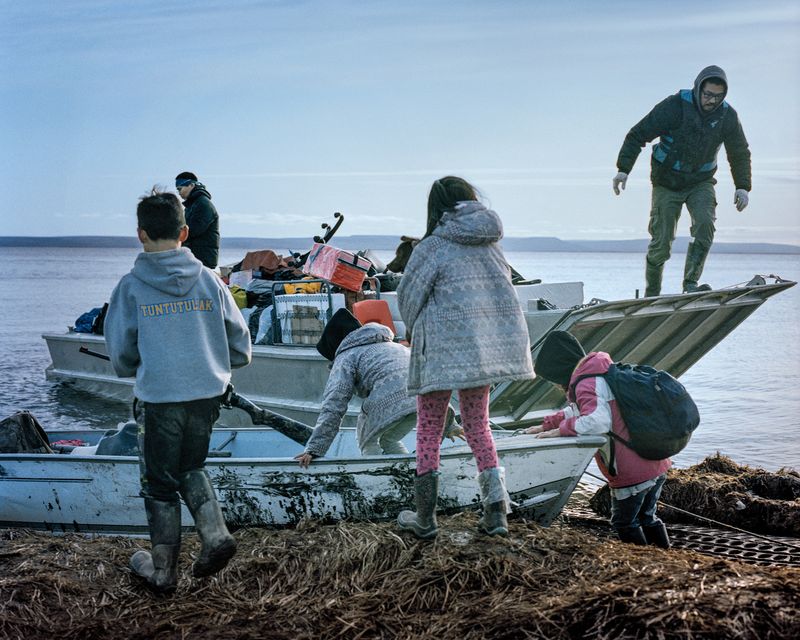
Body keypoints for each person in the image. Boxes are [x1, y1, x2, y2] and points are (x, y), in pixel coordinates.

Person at [104, 188, 252, 593]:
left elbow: (120, 356)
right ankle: (216, 534)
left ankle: (163, 572)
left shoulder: (130, 287)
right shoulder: (210, 281)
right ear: (185, 232)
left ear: (141, 234)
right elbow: (241, 346)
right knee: (191, 467)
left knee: (159, 482)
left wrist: (149, 364)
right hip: (207, 397)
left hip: (160, 399)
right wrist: (213, 365)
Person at [395, 176, 535, 539]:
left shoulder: (433, 246)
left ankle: (425, 519)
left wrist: (417, 326)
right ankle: (496, 514)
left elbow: (408, 300)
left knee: (428, 428)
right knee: (478, 425)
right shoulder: (491, 246)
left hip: (441, 353)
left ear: (436, 207)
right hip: (481, 352)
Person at [612, 65, 751, 296]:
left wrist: (743, 186)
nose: (712, 101)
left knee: (705, 225)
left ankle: (690, 285)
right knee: (662, 240)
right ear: (698, 90)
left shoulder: (727, 115)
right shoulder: (674, 106)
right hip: (667, 181)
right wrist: (623, 169)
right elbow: (637, 134)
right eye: (707, 95)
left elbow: (739, 152)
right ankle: (652, 293)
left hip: (701, 181)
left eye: (718, 96)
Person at [525, 331, 671, 548]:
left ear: (561, 371)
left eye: (554, 380)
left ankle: (647, 569)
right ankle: (664, 560)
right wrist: (547, 424)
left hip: (631, 470)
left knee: (625, 523)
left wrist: (560, 431)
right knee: (647, 518)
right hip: (654, 460)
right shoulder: (601, 373)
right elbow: (580, 410)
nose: (556, 385)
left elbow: (596, 421)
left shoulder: (586, 384)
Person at [175, 171, 220, 269]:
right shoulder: (192, 205)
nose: (179, 193)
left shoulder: (203, 204)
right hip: (195, 258)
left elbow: (192, 231)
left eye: (180, 189)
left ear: (191, 185)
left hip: (203, 260)